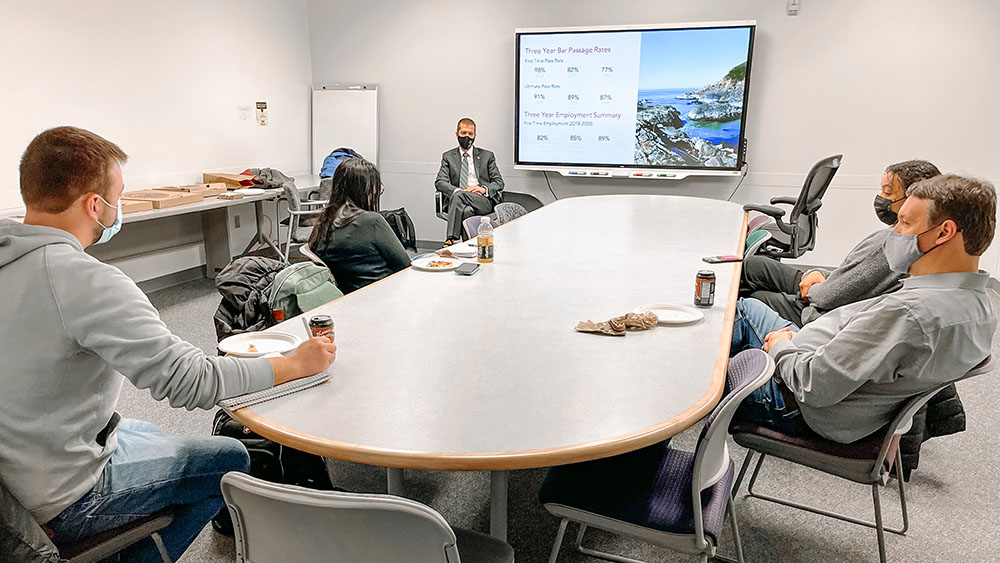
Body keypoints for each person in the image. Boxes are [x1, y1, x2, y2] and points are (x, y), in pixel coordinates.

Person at [0, 126, 337, 561]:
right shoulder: (83, 282)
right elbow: (189, 380)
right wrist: (295, 364)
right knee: (230, 457)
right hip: (56, 494)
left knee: (149, 431)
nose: (118, 209)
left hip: (15, 469)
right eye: (118, 197)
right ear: (95, 205)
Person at [730, 174, 996, 443]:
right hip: (817, 368)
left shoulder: (909, 314)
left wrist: (781, 347)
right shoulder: (980, 306)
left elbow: (813, 386)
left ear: (944, 232)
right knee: (748, 308)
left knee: (727, 337)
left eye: (905, 223)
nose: (894, 233)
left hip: (792, 399)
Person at [741, 160, 942, 326]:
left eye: (888, 193)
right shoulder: (921, 240)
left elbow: (827, 297)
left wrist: (816, 285)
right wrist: (818, 273)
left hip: (820, 311)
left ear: (912, 200)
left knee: (755, 298)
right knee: (755, 266)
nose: (881, 198)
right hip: (832, 288)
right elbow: (853, 277)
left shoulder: (892, 243)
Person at [309, 157, 410, 293]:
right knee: (425, 259)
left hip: (348, 293)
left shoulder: (324, 221)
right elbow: (404, 263)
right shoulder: (371, 221)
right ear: (364, 190)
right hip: (383, 291)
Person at [434, 117, 504, 244]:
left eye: (470, 134)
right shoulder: (448, 157)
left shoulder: (487, 156)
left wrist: (482, 189)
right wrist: (458, 190)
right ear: (457, 134)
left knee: (459, 196)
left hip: (482, 200)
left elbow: (499, 182)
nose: (467, 136)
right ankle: (471, 245)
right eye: (463, 133)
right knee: (467, 211)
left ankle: (451, 239)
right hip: (458, 203)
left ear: (475, 135)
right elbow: (440, 182)